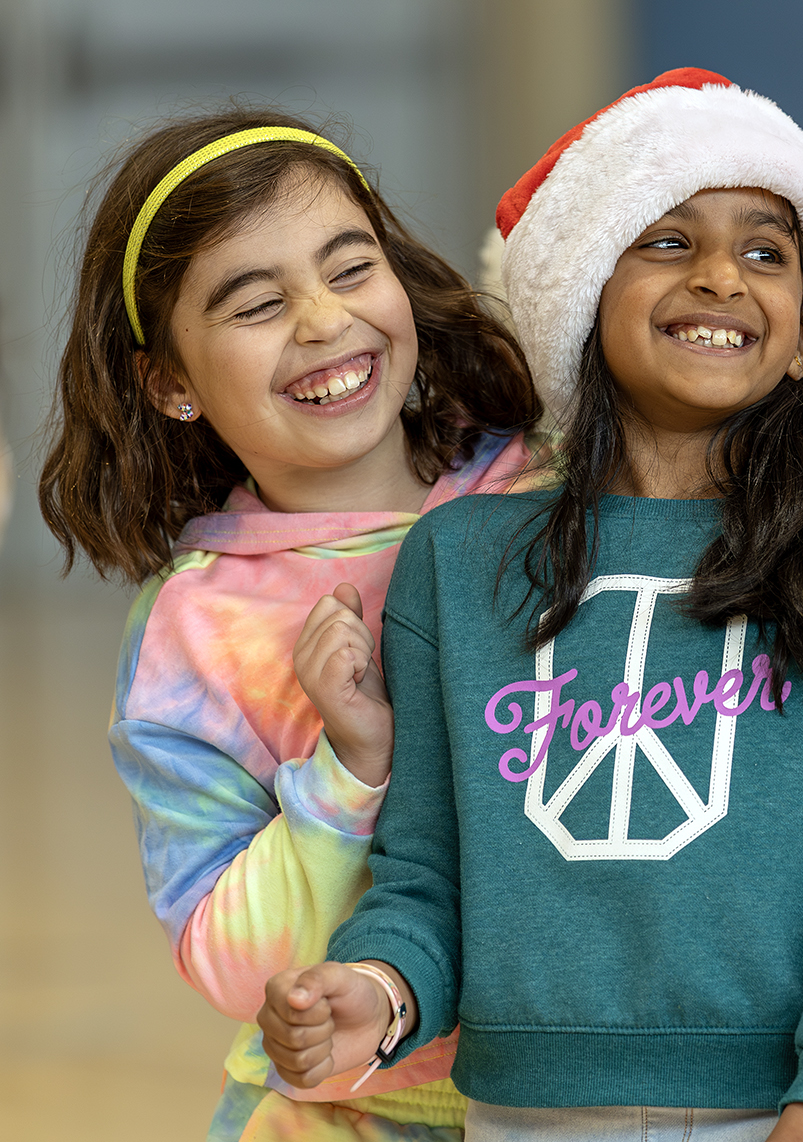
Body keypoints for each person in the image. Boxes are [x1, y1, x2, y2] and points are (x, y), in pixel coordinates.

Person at [253, 69, 803, 1142]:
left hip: (787, 1110)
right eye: (669, 241)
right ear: (583, 287)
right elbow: (426, 875)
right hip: (521, 1114)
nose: (721, 277)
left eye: (766, 252)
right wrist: (380, 991)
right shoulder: (459, 561)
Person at [37, 107, 546, 1140]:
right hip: (351, 1113)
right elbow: (230, 961)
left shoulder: (552, 480)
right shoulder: (196, 631)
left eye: (351, 268)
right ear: (169, 381)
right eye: (259, 303)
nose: (322, 320)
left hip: (588, 1094)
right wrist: (349, 771)